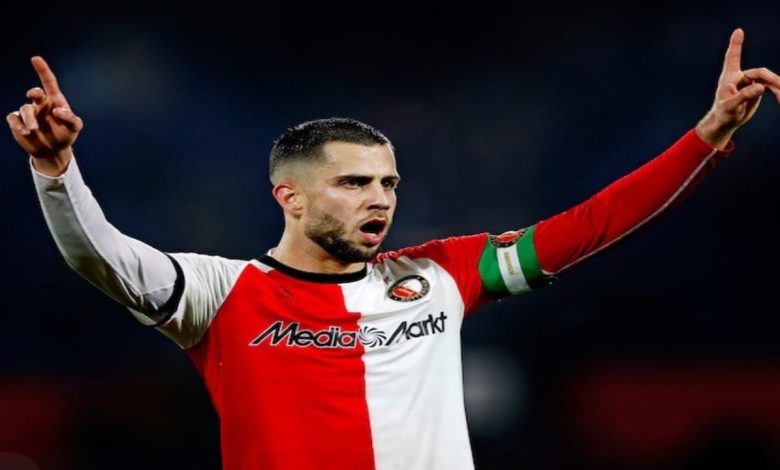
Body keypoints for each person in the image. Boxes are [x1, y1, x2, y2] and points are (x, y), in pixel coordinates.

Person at [6, 28, 780, 469]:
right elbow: (99, 256)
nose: (379, 198)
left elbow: (590, 225)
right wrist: (56, 170)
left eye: (388, 182)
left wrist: (706, 137)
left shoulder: (440, 273)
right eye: (353, 183)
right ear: (291, 197)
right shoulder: (220, 292)